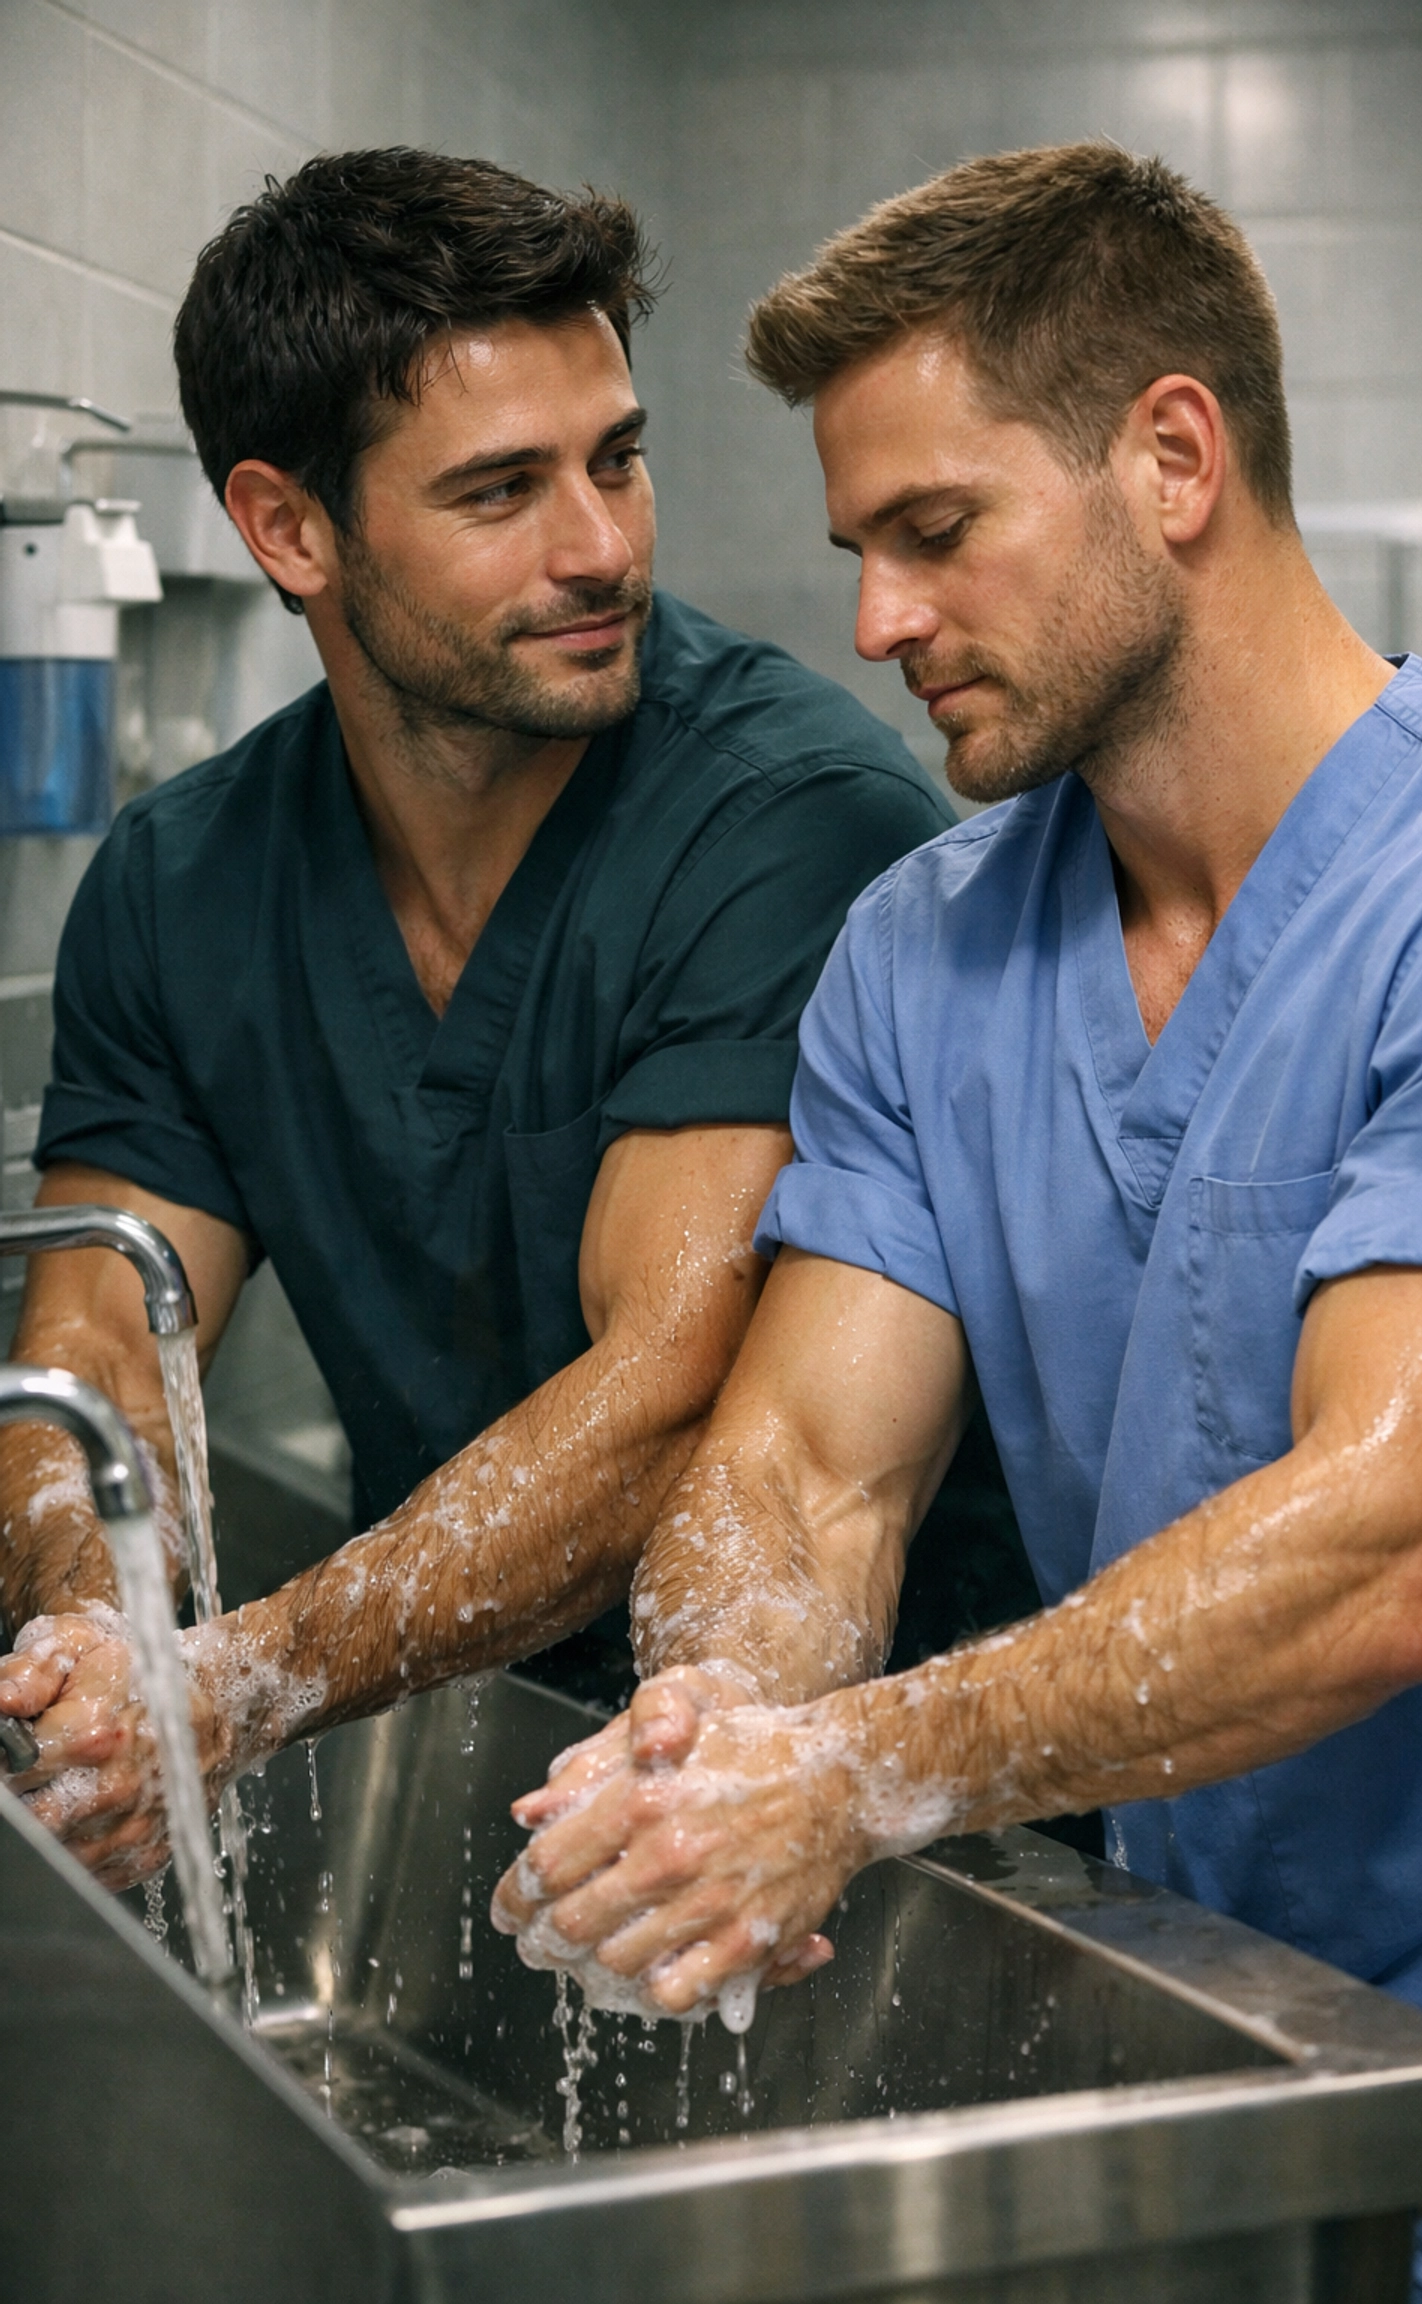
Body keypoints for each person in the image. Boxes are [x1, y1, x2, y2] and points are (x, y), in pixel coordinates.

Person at [495, 146, 1422, 2303]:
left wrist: (857, 1773)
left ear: (1173, 457)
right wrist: (718, 1736)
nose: (876, 620)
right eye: (860, 547)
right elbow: (801, 1476)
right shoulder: (926, 949)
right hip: (1196, 2035)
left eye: (934, 534)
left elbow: (1405, 1543)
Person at [0, 149, 958, 1891]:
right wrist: (94, 1633)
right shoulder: (180, 882)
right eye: (501, 489)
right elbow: (102, 1362)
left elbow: (668, 1383)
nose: (600, 546)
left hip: (834, 1819)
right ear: (288, 528)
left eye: (619, 458)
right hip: (466, 1747)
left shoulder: (790, 818)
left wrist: (231, 1682)